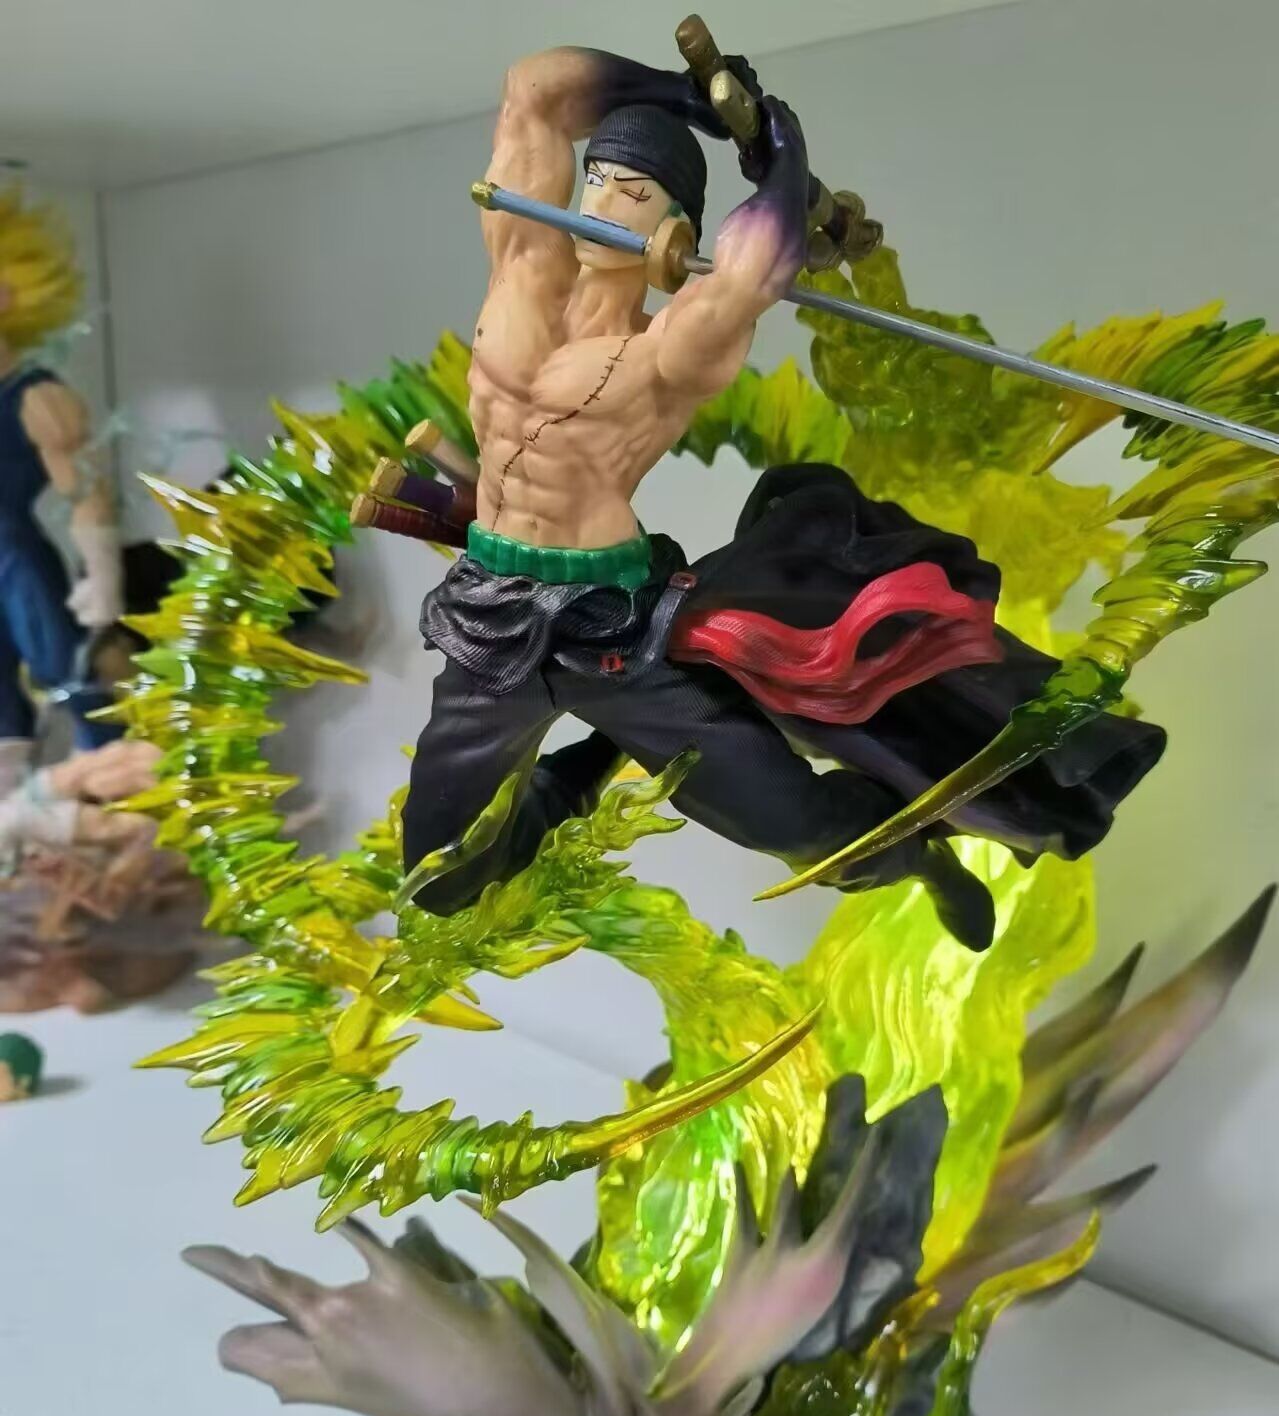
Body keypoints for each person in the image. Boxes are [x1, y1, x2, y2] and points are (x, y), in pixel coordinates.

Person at [402, 48, 1164, 950]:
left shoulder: (666, 351)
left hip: (612, 629)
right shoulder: (519, 269)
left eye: (632, 194)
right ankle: (589, 764)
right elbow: (534, 91)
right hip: (488, 612)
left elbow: (752, 269)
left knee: (799, 828)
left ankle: (921, 858)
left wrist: (775, 154)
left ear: (672, 235)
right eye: (596, 179)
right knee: (439, 881)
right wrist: (683, 96)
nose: (600, 202)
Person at [0, 183, 125, 779]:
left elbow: (85, 491)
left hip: (14, 558)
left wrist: (102, 573)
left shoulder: (36, 398)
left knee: (64, 666)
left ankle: (110, 772)